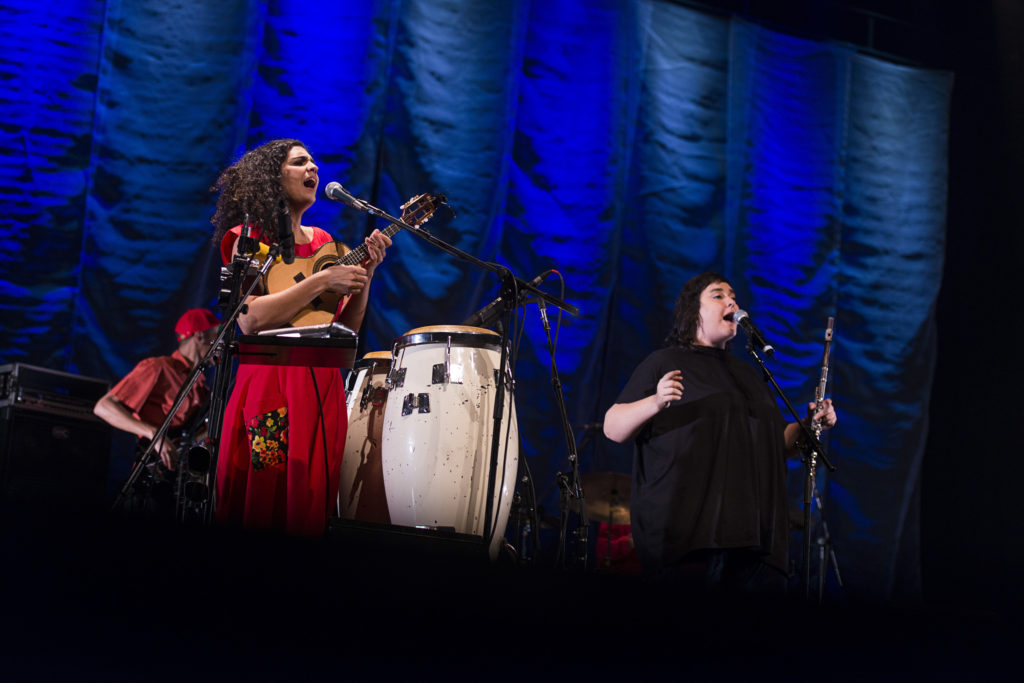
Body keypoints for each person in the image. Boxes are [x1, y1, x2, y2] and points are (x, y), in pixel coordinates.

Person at [603, 272, 837, 592]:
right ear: (692, 311)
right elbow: (613, 427)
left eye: (733, 296)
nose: (732, 301)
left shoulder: (748, 376)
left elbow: (775, 443)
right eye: (717, 295)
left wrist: (810, 426)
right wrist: (656, 401)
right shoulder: (665, 362)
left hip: (754, 542)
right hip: (689, 541)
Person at [210, 138, 390, 537]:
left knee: (308, 501)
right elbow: (250, 319)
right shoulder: (251, 239)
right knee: (264, 491)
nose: (314, 168)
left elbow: (348, 329)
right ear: (273, 178)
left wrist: (366, 277)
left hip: (321, 390)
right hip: (270, 387)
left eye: (314, 162)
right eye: (299, 162)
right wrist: (323, 280)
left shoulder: (325, 243)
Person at [94, 308, 220, 471]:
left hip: (179, 475)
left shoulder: (202, 387)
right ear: (199, 336)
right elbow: (103, 407)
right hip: (153, 473)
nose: (220, 344)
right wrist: (154, 434)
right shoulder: (158, 367)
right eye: (216, 337)